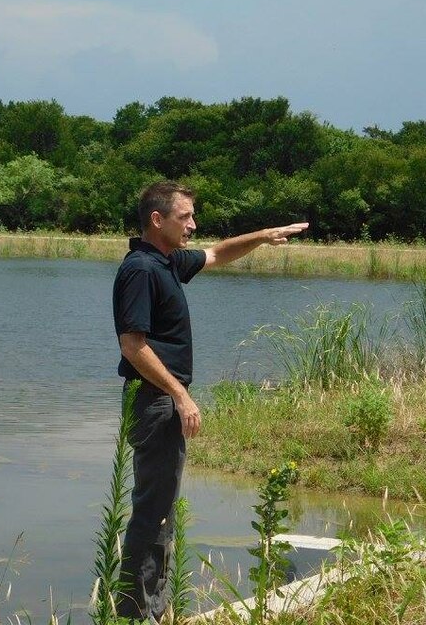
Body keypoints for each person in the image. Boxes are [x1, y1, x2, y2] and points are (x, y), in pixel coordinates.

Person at [112, 180, 308, 622]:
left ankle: (150, 609)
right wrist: (180, 394)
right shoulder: (141, 270)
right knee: (153, 512)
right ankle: (136, 613)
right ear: (157, 220)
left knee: (160, 510)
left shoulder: (165, 263)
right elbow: (132, 344)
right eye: (185, 217)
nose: (193, 225)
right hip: (154, 401)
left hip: (161, 401)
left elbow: (217, 253)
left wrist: (262, 236)